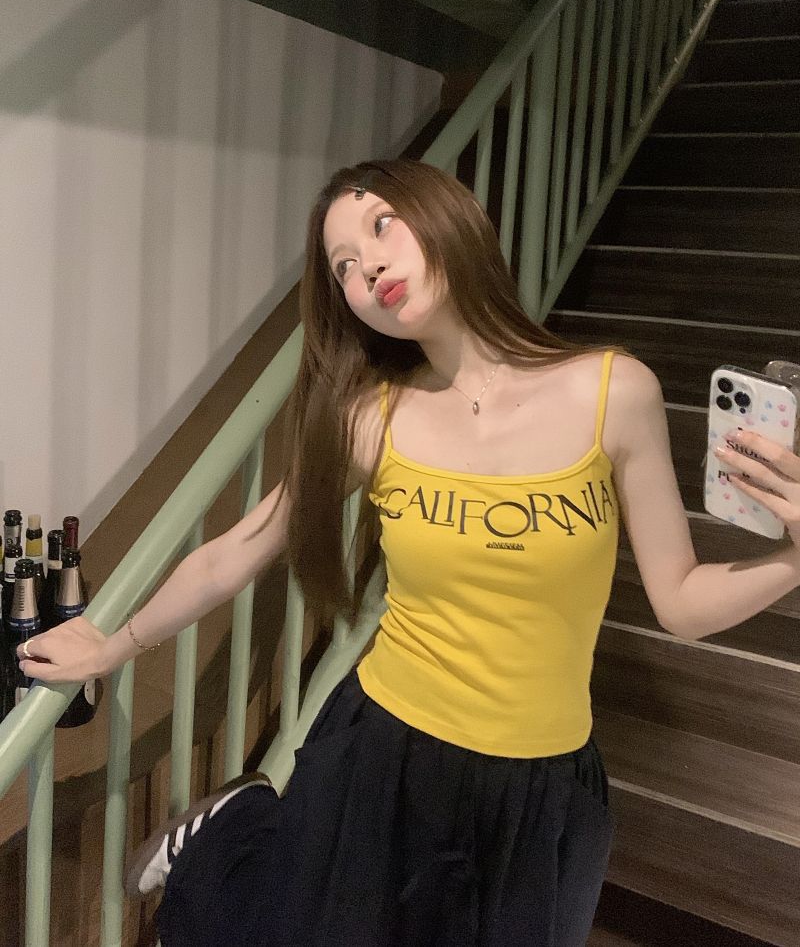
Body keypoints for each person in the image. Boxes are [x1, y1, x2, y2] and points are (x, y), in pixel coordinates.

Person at [18, 159, 800, 946]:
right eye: (343, 267)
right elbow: (238, 551)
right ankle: (227, 831)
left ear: (446, 214)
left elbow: (681, 602)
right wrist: (112, 646)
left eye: (381, 225)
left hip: (543, 784)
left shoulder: (613, 391)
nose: (368, 267)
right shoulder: (372, 418)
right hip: (387, 750)